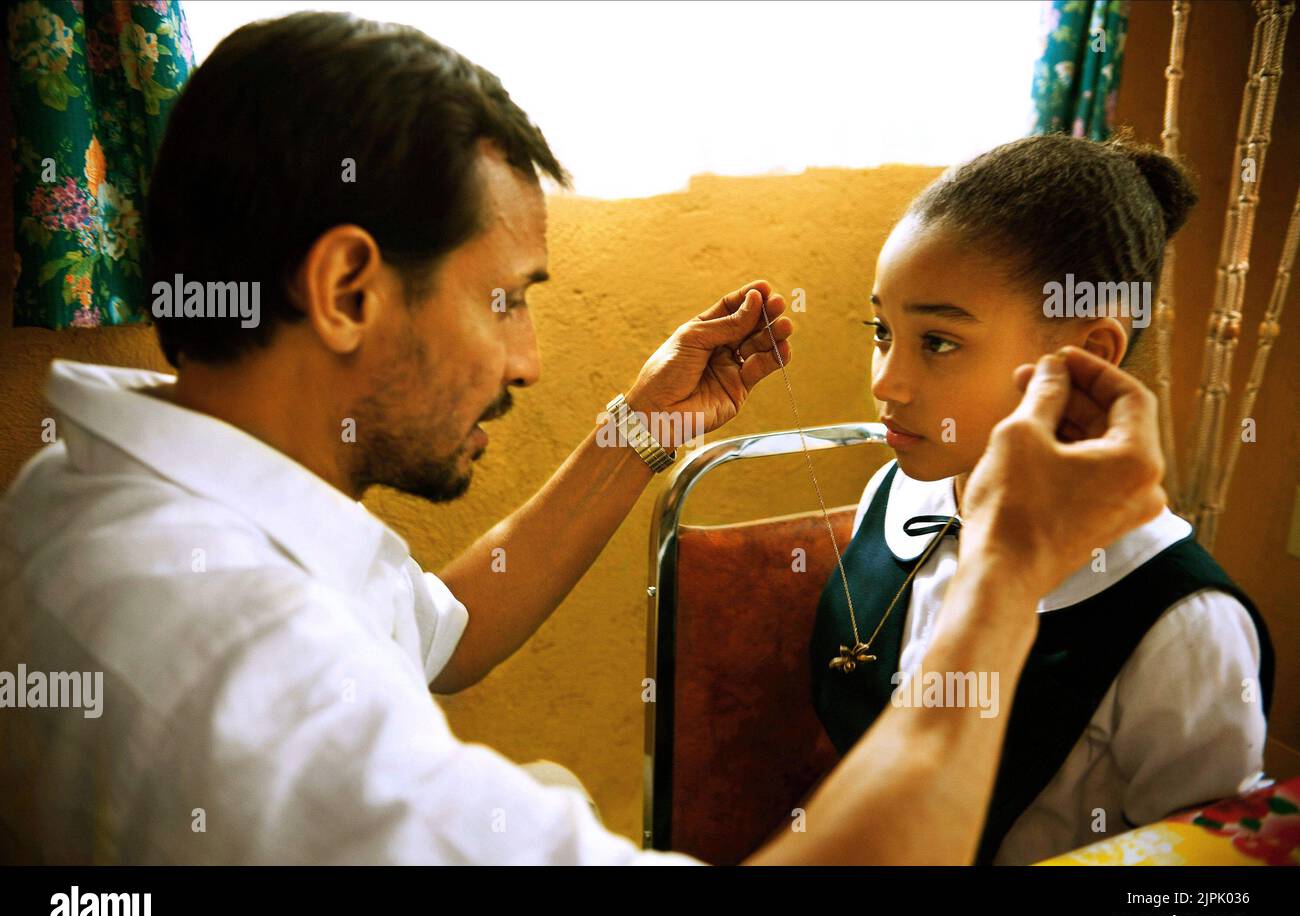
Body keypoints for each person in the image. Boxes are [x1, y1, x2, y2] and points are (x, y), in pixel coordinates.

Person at [0, 12, 1167, 865]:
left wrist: (641, 429)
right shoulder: (235, 671)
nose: (528, 358)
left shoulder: (114, 493)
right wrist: (1011, 568)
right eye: (505, 297)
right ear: (349, 285)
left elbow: (440, 633)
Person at [809, 133, 1274, 864]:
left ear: (1087, 355)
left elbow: (1199, 885)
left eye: (937, 342)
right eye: (881, 330)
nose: (885, 383)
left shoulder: (1182, 623)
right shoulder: (893, 497)